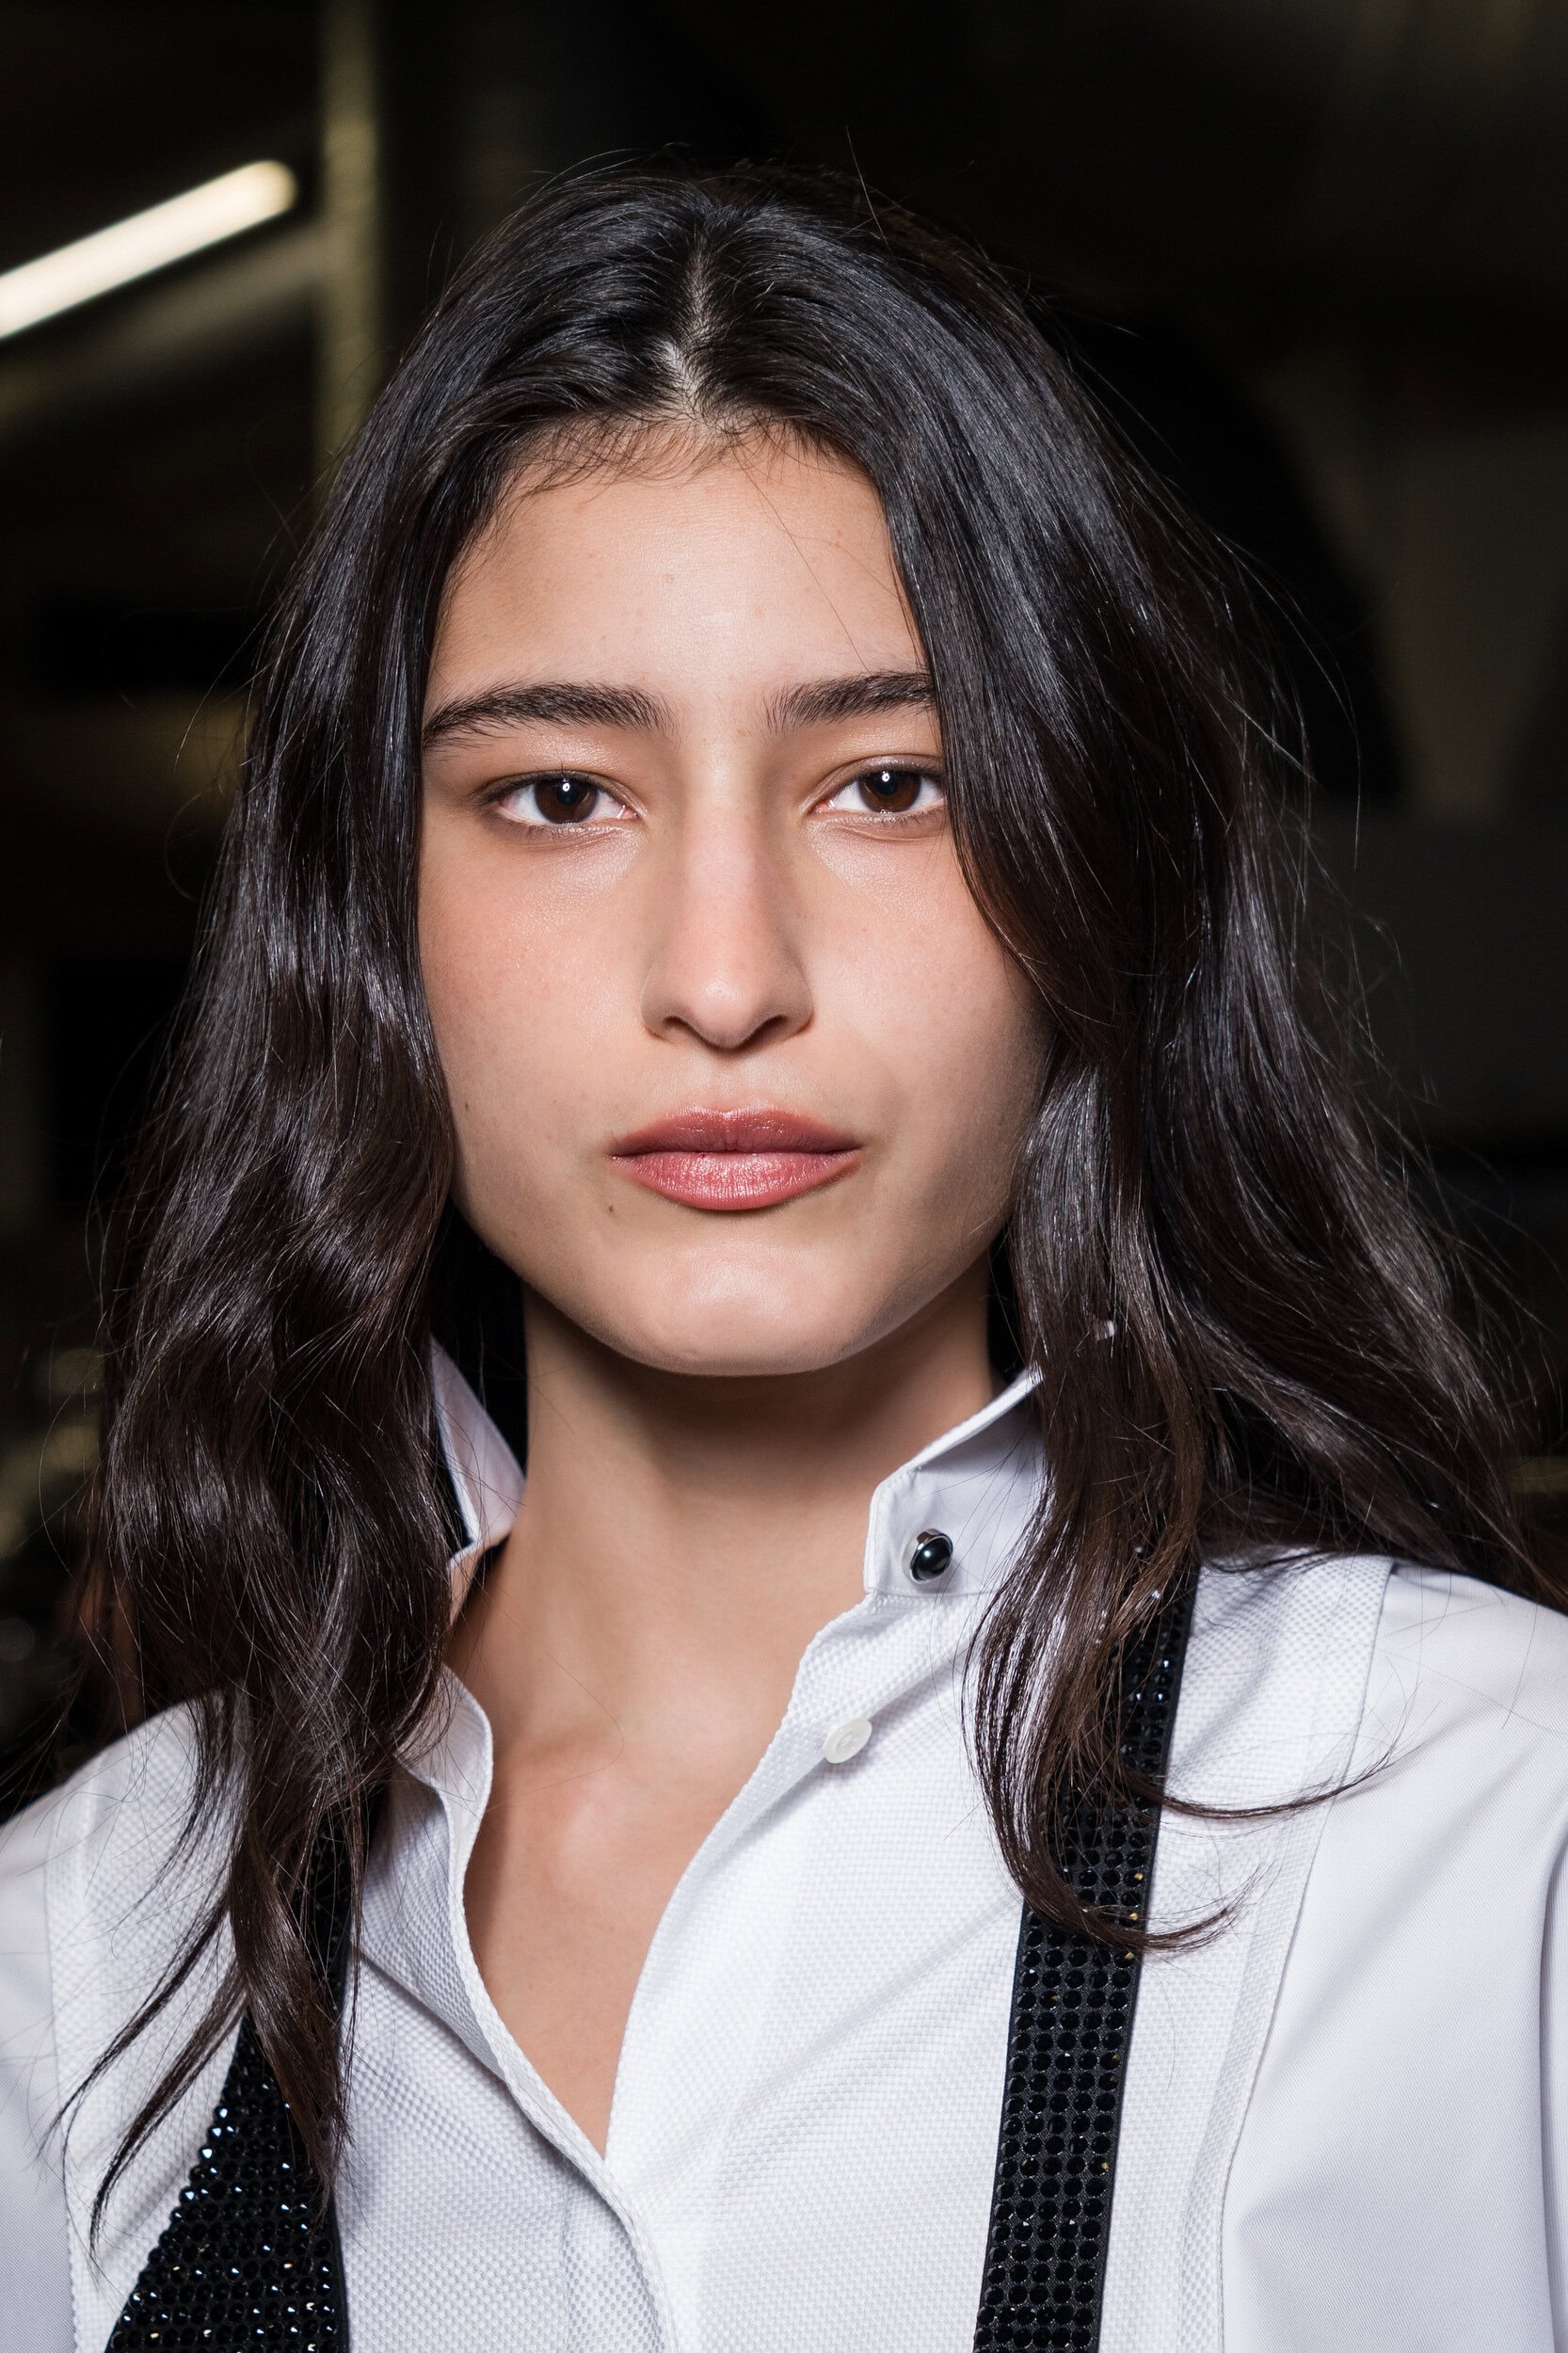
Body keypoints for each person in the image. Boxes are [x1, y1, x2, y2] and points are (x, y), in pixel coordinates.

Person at [1, 166, 1563, 2353]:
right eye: (560, 795)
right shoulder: (82, 1955)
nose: (724, 977)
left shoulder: (1474, 1832)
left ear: (1081, 880)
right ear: (373, 917)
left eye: (889, 783)